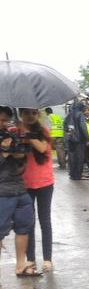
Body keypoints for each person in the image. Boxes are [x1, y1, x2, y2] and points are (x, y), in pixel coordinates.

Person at [0, 106, 40, 277]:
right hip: (2, 191)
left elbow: (23, 157)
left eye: (6, 121)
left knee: (24, 226)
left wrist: (18, 154)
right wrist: (3, 153)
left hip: (19, 188)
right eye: (1, 120)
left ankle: (20, 265)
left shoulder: (10, 134)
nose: (4, 124)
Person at [18, 108, 55, 272]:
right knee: (28, 223)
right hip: (25, 183)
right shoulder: (15, 132)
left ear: (38, 115)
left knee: (44, 220)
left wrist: (27, 134)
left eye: (33, 113)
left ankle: (47, 259)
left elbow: (41, 148)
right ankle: (30, 259)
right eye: (26, 113)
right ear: (20, 115)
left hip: (45, 183)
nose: (30, 116)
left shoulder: (44, 131)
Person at [64, 99, 89, 180]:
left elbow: (64, 126)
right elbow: (83, 127)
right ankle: (78, 175)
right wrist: (87, 139)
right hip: (79, 140)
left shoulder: (68, 115)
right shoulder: (80, 115)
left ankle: (72, 174)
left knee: (71, 158)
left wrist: (69, 133)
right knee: (80, 158)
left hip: (70, 140)